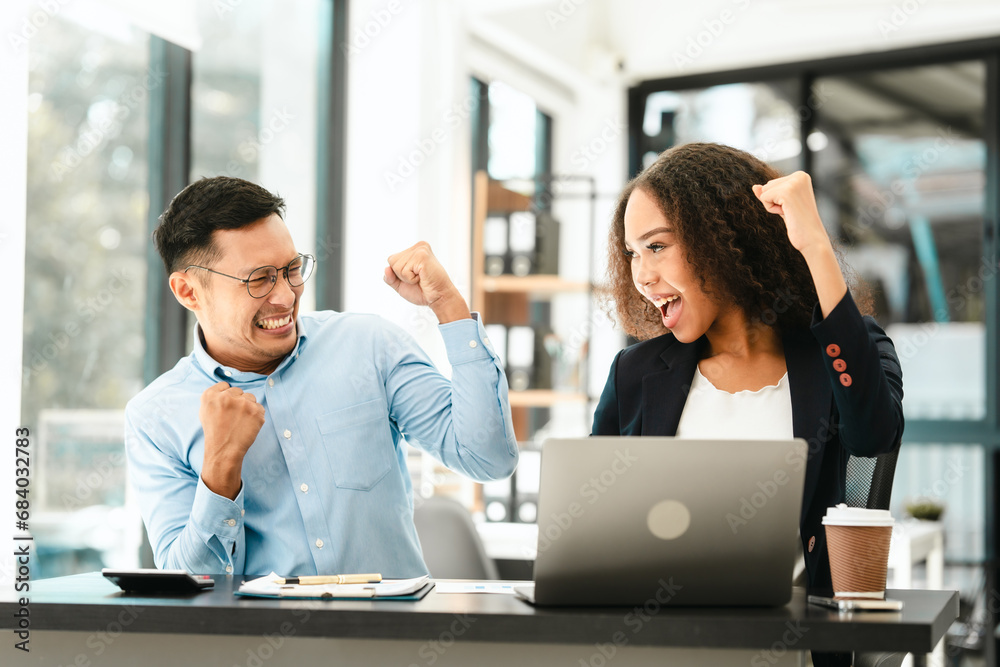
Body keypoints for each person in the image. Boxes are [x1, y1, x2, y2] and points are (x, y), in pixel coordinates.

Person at [592, 143, 903, 662]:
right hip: (661, 644)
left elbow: (873, 433)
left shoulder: (843, 350)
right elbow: (595, 525)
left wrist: (816, 249)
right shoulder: (636, 375)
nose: (642, 275)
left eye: (658, 246)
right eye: (632, 253)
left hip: (791, 647)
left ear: (721, 238)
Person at [125, 176, 517, 577]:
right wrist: (221, 467)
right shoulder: (155, 418)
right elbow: (186, 586)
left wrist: (447, 304)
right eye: (259, 279)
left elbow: (488, 458)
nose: (286, 295)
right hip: (261, 640)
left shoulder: (370, 346)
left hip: (395, 636)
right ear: (189, 292)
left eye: (292, 269)